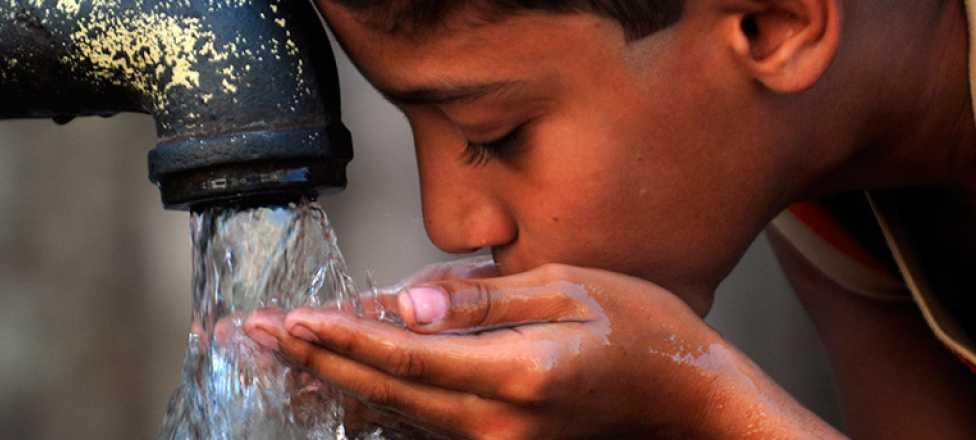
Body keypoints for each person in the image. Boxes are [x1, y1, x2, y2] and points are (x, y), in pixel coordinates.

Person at [245, 0, 976, 438]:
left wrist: (702, 405)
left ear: (770, 22)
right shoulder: (830, 191)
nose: (451, 222)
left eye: (496, 134)